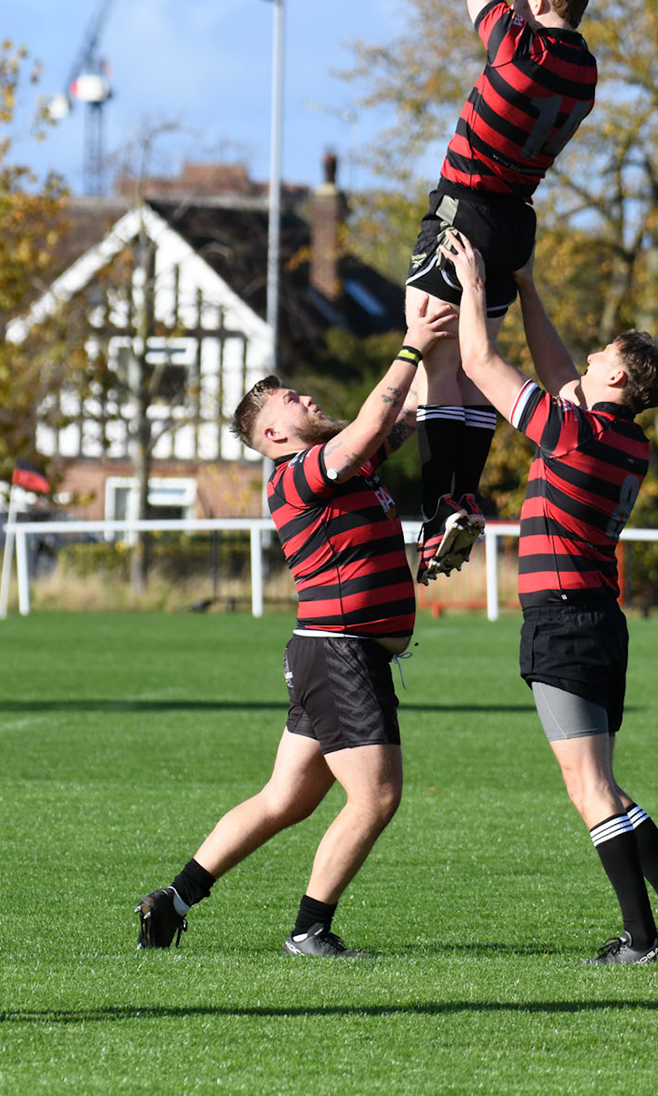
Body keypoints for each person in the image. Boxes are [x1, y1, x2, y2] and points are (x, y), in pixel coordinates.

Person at [135, 299, 453, 957]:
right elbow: (372, 422)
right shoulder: (297, 473)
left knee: (287, 799)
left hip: (329, 654)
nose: (305, 396)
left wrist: (452, 319)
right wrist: (410, 342)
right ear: (274, 437)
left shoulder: (345, 464)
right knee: (377, 798)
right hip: (341, 655)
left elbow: (408, 411)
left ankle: (174, 899)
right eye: (289, 399)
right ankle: (310, 930)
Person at [441, 230, 658, 964]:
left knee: (590, 790)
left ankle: (641, 939)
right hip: (597, 621)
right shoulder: (618, 438)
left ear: (621, 382)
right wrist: (527, 285)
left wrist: (475, 285)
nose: (589, 357)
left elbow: (478, 362)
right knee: (607, 788)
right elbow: (562, 370)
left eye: (605, 355)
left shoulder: (574, 434)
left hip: (562, 623)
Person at [404, 0, 598, 584]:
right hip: (513, 221)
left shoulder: (514, 48)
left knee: (432, 361)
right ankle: (460, 499)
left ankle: (441, 507)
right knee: (469, 366)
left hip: (464, 212)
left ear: (537, 6)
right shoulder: (583, 69)